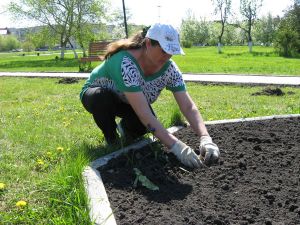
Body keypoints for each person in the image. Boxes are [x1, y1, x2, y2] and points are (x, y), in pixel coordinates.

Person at [80, 23, 220, 168]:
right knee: (101, 97)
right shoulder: (125, 62)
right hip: (98, 95)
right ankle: (112, 139)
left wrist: (205, 137)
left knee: (145, 126)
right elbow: (143, 112)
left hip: (128, 100)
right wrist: (176, 146)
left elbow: (188, 106)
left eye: (172, 52)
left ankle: (125, 130)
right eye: (164, 51)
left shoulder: (170, 70)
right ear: (148, 43)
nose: (167, 57)